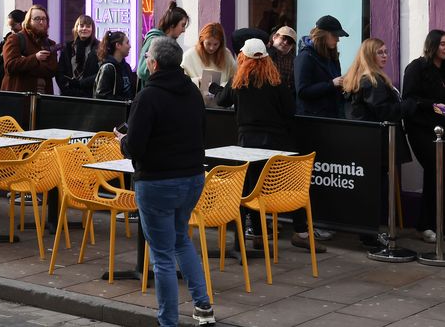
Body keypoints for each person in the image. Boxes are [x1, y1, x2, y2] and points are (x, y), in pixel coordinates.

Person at [117, 36, 215, 327]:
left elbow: (134, 146)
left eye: (147, 58)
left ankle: (168, 321)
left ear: (155, 63)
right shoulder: (192, 92)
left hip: (158, 182)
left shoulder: (148, 96)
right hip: (191, 177)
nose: (145, 62)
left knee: (161, 256)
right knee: (181, 239)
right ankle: (203, 306)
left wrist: (122, 140)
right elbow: (201, 132)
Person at [215, 38, 321, 251]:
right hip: (277, 141)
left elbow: (222, 101)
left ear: (243, 56)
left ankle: (259, 235)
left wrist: (215, 89)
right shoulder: (276, 81)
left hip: (248, 142)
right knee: (288, 185)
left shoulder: (239, 80)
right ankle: (301, 232)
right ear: (266, 57)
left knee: (252, 189)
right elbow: (289, 110)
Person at [402, 29, 445, 245]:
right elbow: (408, 101)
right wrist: (433, 106)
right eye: (442, 44)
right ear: (432, 44)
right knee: (437, 171)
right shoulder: (416, 68)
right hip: (421, 129)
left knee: (440, 174)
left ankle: (426, 226)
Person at [342, 38, 414, 246]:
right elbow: (384, 111)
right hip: (376, 143)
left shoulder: (359, 78)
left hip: (365, 143)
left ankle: (368, 232)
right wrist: (407, 106)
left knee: (371, 188)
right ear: (369, 56)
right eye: (380, 53)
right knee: (376, 190)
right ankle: (370, 234)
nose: (385, 56)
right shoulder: (371, 81)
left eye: (385, 52)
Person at [294, 15, 347, 117]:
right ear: (323, 35)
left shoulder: (332, 56)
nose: (338, 40)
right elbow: (302, 91)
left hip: (332, 117)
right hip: (313, 121)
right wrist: (331, 84)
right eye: (335, 35)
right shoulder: (305, 57)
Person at [1, 4, 59, 93]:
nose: (41, 22)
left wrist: (25, 63)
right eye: (37, 19)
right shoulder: (15, 39)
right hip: (19, 98)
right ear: (28, 21)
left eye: (44, 19)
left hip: (43, 99)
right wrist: (35, 58)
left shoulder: (50, 44)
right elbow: (10, 66)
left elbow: (52, 70)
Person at [137, 1, 190, 84]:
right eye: (182, 25)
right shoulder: (153, 40)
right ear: (172, 24)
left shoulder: (170, 43)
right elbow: (142, 71)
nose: (183, 30)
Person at [181, 22, 236, 100]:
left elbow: (235, 79)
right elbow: (181, 81)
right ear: (201, 40)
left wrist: (222, 87)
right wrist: (198, 81)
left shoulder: (226, 55)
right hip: (197, 102)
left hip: (221, 103)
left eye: (215, 44)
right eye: (208, 44)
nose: (211, 48)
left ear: (221, 43)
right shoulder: (189, 56)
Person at [57, 15, 100, 97]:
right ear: (76, 28)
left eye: (88, 26)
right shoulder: (68, 48)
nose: (84, 29)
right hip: (69, 96)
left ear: (92, 29)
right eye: (81, 26)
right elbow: (60, 73)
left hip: (91, 96)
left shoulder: (99, 48)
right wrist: (67, 89)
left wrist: (81, 84)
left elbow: (101, 73)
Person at [94, 30, 136, 100]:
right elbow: (102, 95)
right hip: (114, 109)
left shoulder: (126, 67)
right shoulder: (108, 68)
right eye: (127, 43)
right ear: (118, 45)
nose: (130, 46)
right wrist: (123, 101)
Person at [0, 8, 26, 90]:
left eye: (13, 25)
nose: (12, 30)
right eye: (10, 27)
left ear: (22, 23)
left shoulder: (26, 41)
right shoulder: (6, 40)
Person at [269, 25, 298, 92]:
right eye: (284, 38)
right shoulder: (264, 54)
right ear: (274, 37)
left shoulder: (293, 60)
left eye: (290, 42)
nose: (285, 43)